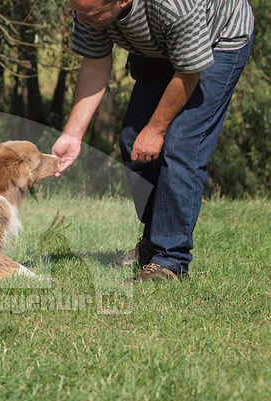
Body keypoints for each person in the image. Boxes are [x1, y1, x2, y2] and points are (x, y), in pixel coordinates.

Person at [52, 0, 254, 281]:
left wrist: (157, 130)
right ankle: (154, 242)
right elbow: (95, 63)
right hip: (159, 44)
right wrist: (72, 135)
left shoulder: (173, 6)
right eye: (80, 13)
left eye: (90, 15)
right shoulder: (90, 6)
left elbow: (189, 69)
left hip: (217, 39)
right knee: (133, 142)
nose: (81, 21)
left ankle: (171, 261)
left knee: (181, 145)